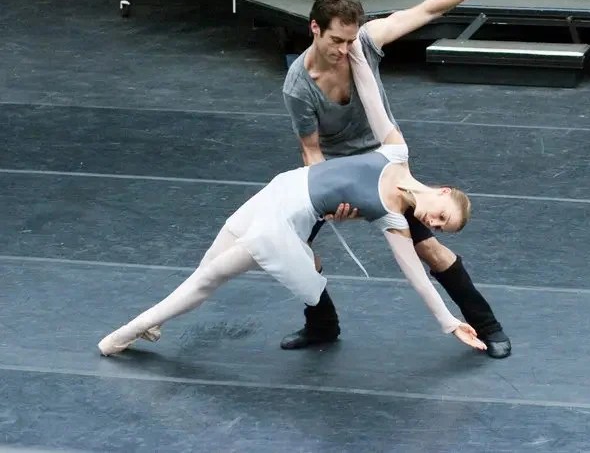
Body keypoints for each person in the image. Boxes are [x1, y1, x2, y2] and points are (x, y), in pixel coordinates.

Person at [278, 0, 534, 359]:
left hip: (386, 166)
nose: (345, 50)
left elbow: (428, 9)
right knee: (292, 251)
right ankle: (321, 325)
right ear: (315, 29)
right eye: (336, 42)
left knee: (429, 248)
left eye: (351, 40)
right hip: (340, 173)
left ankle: (487, 325)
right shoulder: (297, 87)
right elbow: (311, 150)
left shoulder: (364, 43)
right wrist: (329, 200)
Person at [97, 138, 487, 356]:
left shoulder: (394, 219)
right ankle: (154, 324)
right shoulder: (395, 151)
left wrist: (448, 322)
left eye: (440, 228)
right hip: (276, 191)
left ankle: (124, 334)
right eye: (441, 216)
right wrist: (357, 48)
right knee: (207, 268)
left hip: (280, 227)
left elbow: (417, 276)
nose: (432, 224)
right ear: (443, 191)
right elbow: (370, 85)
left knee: (208, 279)